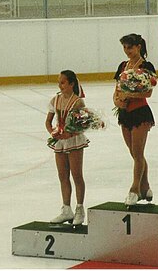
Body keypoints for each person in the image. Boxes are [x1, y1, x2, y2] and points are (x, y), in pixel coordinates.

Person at [113, 33, 156, 206]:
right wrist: (117, 101)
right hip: (124, 113)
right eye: (124, 47)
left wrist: (130, 94)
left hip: (140, 113)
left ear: (138, 47)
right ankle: (145, 186)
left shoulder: (146, 66)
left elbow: (148, 92)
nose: (127, 51)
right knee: (134, 153)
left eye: (130, 47)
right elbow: (116, 89)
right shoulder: (123, 66)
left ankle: (134, 189)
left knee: (138, 153)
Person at [45, 70, 88, 226]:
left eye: (63, 82)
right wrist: (54, 133)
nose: (60, 85)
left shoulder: (78, 102)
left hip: (74, 141)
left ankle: (80, 209)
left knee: (77, 175)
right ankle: (66, 209)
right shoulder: (55, 100)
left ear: (71, 84)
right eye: (59, 82)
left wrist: (70, 134)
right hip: (60, 141)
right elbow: (48, 122)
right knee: (62, 175)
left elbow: (83, 125)